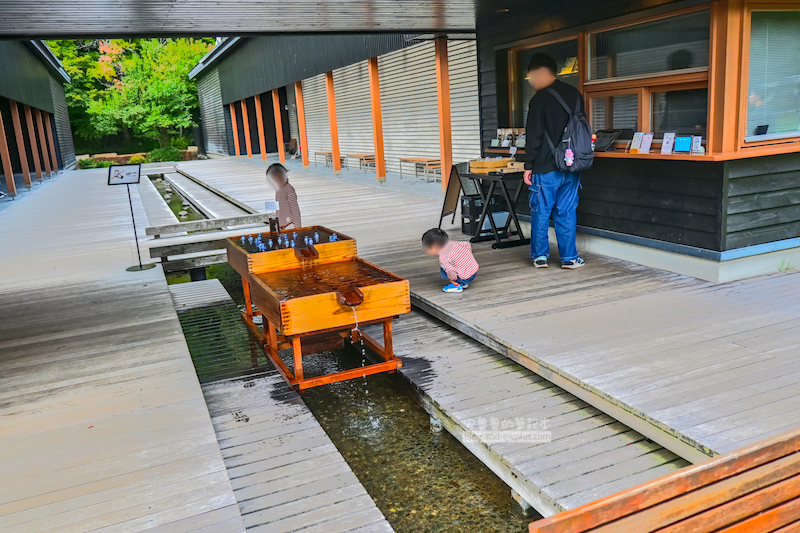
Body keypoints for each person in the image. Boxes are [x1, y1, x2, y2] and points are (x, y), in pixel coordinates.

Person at [523, 53, 585, 269]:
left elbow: (534, 136)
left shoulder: (539, 99)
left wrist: (528, 165)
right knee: (567, 211)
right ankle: (569, 258)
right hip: (572, 165)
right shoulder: (575, 94)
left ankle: (540, 257)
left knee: (541, 211)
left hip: (546, 166)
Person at [422, 228, 479, 293]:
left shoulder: (443, 257)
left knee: (445, 269)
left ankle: (456, 285)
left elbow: (449, 269)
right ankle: (463, 282)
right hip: (474, 271)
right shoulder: (453, 243)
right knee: (455, 264)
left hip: (465, 277)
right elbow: (467, 244)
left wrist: (454, 278)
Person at [267, 163, 301, 229]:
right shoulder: (278, 189)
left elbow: (295, 209)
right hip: (280, 224)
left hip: (290, 225)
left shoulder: (289, 190)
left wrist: (298, 228)